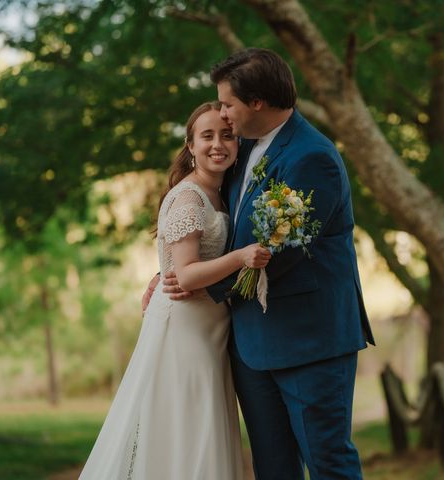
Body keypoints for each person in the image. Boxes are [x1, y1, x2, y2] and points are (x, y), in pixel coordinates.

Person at [146, 48, 375, 479]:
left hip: (309, 342)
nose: (224, 118)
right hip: (250, 345)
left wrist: (198, 285)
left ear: (257, 103)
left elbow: (281, 254)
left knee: (328, 462)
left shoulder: (313, 158)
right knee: (273, 469)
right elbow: (220, 231)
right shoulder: (242, 150)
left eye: (228, 104)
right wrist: (174, 269)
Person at [80, 101, 271, 480]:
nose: (218, 144)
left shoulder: (222, 191)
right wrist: (240, 257)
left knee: (204, 428)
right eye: (207, 136)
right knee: (186, 430)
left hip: (211, 328)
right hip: (185, 330)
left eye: (227, 135)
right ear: (190, 145)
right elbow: (184, 276)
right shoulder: (188, 196)